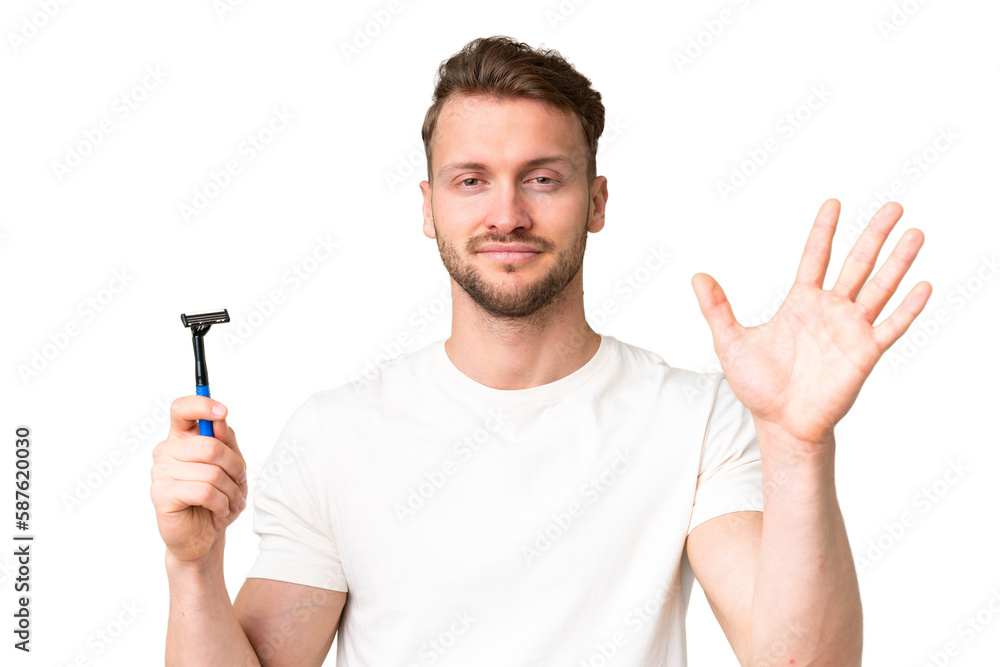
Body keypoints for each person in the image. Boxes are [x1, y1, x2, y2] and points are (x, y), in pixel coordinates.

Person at [150, 35, 931, 666]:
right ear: (428, 208)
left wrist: (797, 447)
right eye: (470, 181)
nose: (507, 213)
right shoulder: (333, 435)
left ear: (595, 201)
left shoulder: (694, 421)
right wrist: (193, 566)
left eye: (543, 178)